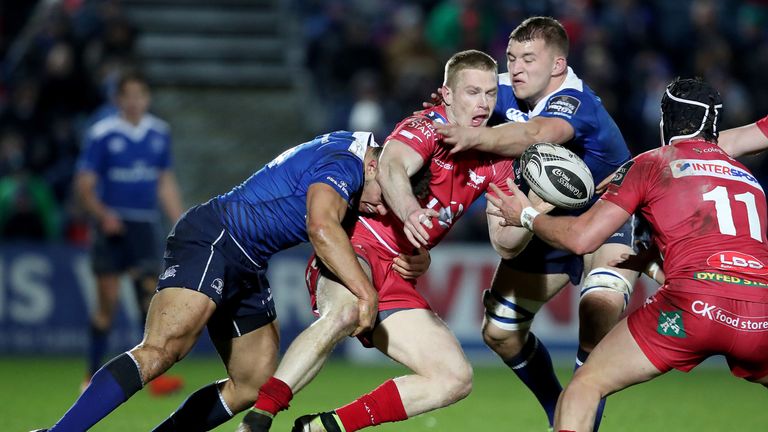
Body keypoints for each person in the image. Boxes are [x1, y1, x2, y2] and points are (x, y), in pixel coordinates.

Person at [237, 49, 549, 432]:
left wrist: (535, 210)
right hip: (356, 250)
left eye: (489, 93)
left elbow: (504, 243)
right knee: (345, 312)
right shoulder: (426, 127)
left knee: (454, 377)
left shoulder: (495, 159)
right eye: (472, 92)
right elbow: (392, 166)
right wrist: (410, 212)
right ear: (448, 95)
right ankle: (259, 418)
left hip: (399, 275)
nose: (482, 103)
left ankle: (322, 428)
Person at [39, 130, 431, 431]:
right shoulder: (344, 164)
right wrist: (367, 294)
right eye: (384, 199)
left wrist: (420, 255)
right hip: (216, 237)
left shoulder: (365, 156)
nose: (380, 208)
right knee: (163, 350)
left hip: (247, 261)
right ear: (378, 167)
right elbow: (321, 226)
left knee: (253, 383)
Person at [486, 78, 768, 432]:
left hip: (692, 309)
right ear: (714, 124)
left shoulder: (651, 163)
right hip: (761, 314)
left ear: (664, 121)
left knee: (584, 387)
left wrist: (527, 215)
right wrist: (648, 262)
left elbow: (581, 239)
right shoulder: (746, 175)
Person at [431, 17, 635, 429]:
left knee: (600, 306)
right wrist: (447, 109)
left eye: (529, 58)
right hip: (544, 220)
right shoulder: (500, 89)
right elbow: (451, 110)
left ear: (558, 65)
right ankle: (556, 406)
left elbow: (537, 133)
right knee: (500, 333)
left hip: (606, 216)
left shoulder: (574, 100)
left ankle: (576, 420)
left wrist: (474, 138)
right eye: (511, 57)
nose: (517, 67)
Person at [74, 72, 185, 396]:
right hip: (112, 225)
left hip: (144, 224)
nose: (135, 102)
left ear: (147, 98)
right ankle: (91, 376)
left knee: (149, 299)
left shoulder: (159, 132)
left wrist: (180, 219)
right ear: (118, 99)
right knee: (107, 303)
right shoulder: (103, 133)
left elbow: (164, 181)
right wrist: (102, 214)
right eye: (129, 96)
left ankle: (150, 375)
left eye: (141, 95)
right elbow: (85, 184)